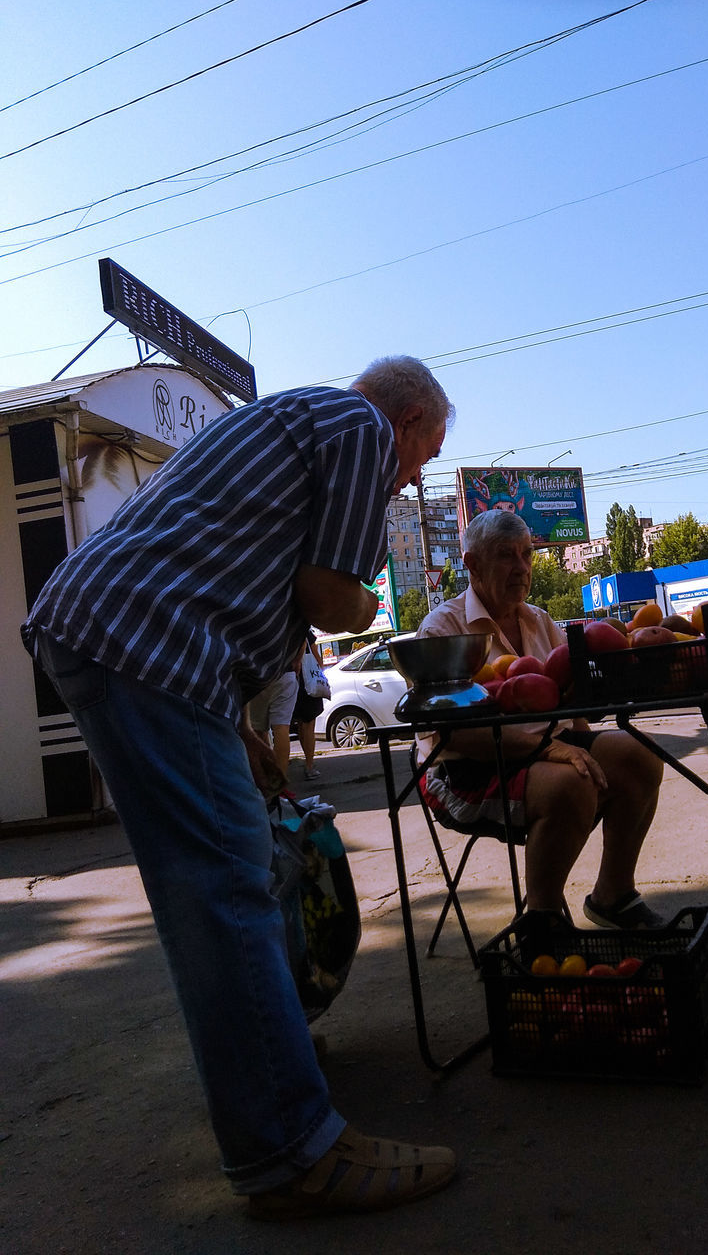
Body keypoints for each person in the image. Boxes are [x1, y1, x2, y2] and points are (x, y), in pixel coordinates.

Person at [21, 356, 457, 1219]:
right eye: (423, 458)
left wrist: (241, 731)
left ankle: (272, 1095)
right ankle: (290, 1146)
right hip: (146, 643)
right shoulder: (358, 427)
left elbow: (224, 567)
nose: (412, 479)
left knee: (223, 885)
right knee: (227, 895)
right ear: (406, 422)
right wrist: (369, 606)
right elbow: (328, 597)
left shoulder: (288, 423)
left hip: (113, 634)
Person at [416, 510, 665, 927]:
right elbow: (453, 735)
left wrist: (584, 741)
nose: (521, 568)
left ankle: (613, 896)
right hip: (467, 769)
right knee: (572, 782)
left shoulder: (539, 620)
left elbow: (569, 710)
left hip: (544, 749)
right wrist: (556, 750)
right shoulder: (444, 628)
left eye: (526, 555)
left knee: (639, 756)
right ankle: (543, 919)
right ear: (473, 564)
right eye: (505, 557)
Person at [248, 662, 300, 780]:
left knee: (258, 731)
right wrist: (297, 661)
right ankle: (280, 785)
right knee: (282, 729)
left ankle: (265, 780)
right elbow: (301, 644)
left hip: (256, 676)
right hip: (285, 673)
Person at [293, 632, 327, 780]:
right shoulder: (303, 630)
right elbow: (314, 652)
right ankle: (309, 765)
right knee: (308, 724)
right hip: (307, 681)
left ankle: (308, 761)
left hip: (292, 680)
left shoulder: (284, 626)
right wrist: (320, 669)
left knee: (301, 724)